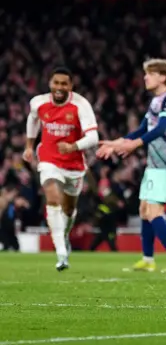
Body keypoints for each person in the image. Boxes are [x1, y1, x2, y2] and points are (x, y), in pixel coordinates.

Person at [97, 59, 166, 273]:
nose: (145, 77)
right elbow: (141, 130)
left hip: (165, 162)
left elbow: (160, 129)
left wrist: (133, 146)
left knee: (154, 211)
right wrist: (116, 143)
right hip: (153, 163)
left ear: (162, 77)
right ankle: (148, 259)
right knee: (144, 210)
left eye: (150, 73)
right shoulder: (156, 101)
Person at [23, 66, 99, 271]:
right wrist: (30, 146)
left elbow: (94, 137)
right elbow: (33, 119)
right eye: (56, 83)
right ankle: (61, 254)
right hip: (48, 158)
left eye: (64, 83)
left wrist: (73, 146)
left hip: (74, 164)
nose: (59, 87)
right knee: (52, 197)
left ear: (70, 86)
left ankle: (64, 236)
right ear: (50, 84)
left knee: (68, 209)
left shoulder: (80, 105)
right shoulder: (38, 103)